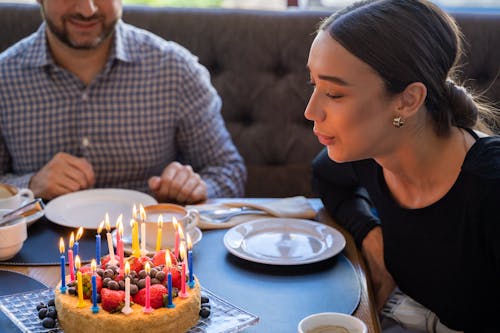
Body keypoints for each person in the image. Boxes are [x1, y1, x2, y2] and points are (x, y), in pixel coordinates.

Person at [304, 0, 500, 332]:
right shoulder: (370, 154)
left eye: (334, 93)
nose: (310, 111)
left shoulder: (490, 186)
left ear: (407, 100)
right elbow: (325, 177)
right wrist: (369, 234)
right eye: (314, 85)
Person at [0, 0, 246, 204]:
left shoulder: (175, 69)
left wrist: (195, 188)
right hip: (37, 252)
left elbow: (229, 172)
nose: (88, 9)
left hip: (151, 250)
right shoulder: (4, 78)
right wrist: (30, 186)